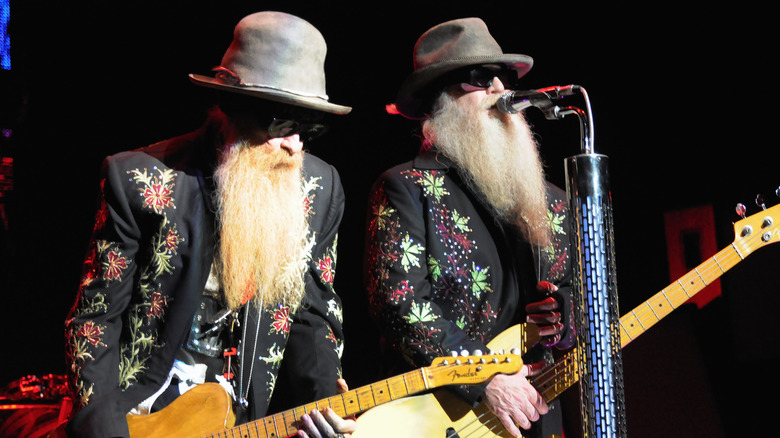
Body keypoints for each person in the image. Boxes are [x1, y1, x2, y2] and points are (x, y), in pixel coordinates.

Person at [64, 11, 356, 438]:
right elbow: (95, 318)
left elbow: (313, 312)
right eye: (282, 123)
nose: (295, 145)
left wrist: (323, 404)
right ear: (233, 108)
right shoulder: (138, 181)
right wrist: (105, 428)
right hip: (141, 416)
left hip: (243, 419)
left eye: (310, 127)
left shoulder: (319, 187)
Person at [364, 17, 576, 438]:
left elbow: (580, 288)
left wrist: (566, 312)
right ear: (438, 100)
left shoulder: (550, 199)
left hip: (537, 413)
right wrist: (485, 378)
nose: (501, 89)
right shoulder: (406, 188)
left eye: (505, 77)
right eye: (481, 78)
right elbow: (399, 305)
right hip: (441, 416)